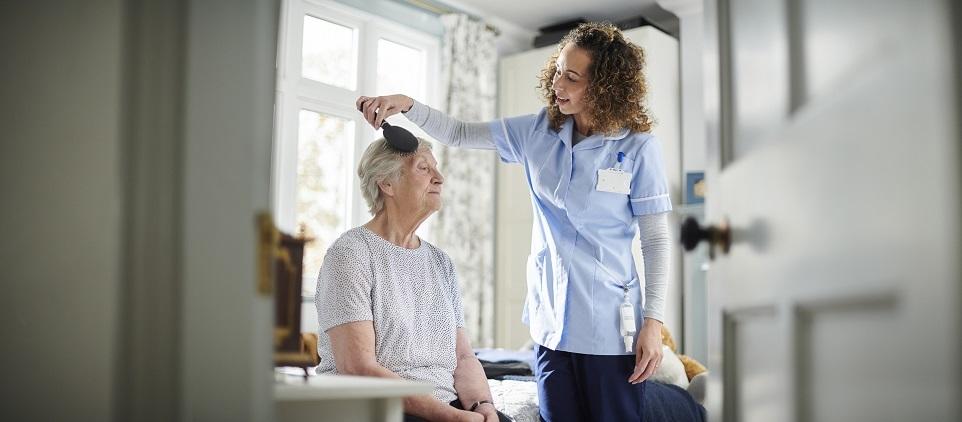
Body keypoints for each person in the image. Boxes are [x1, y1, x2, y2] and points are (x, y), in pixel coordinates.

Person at [356, 22, 672, 421]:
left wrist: (653, 323)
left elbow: (656, 240)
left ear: (605, 86)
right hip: (550, 326)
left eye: (571, 77)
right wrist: (407, 104)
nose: (558, 83)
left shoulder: (638, 147)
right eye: (557, 70)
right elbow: (457, 132)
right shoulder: (538, 130)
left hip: (610, 328)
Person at [314, 138, 511, 422]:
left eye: (436, 168)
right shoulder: (351, 253)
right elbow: (358, 368)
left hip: (444, 406)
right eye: (423, 168)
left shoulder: (441, 262)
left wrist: (484, 407)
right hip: (379, 407)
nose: (439, 178)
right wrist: (450, 417)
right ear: (387, 183)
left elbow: (464, 357)